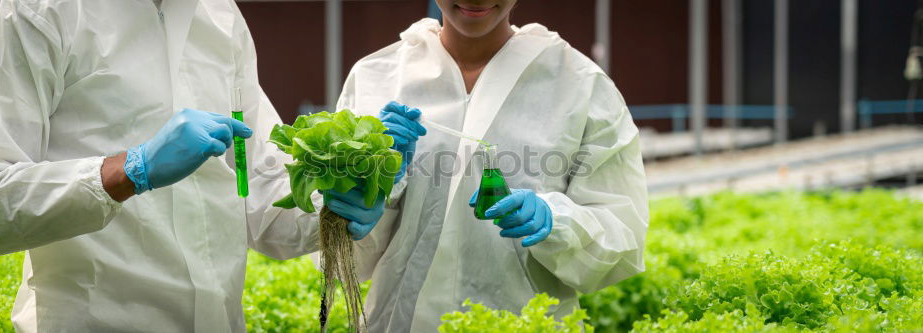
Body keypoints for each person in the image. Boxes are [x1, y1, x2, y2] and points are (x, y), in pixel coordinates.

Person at [0, 0, 375, 331]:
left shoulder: (219, 16)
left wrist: (333, 206)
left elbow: (255, 190)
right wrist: (131, 169)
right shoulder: (25, 14)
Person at [253, 0, 649, 331]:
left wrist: (556, 221)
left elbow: (623, 230)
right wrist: (374, 191)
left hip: (525, 322)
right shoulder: (379, 77)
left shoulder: (578, 84)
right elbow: (343, 249)